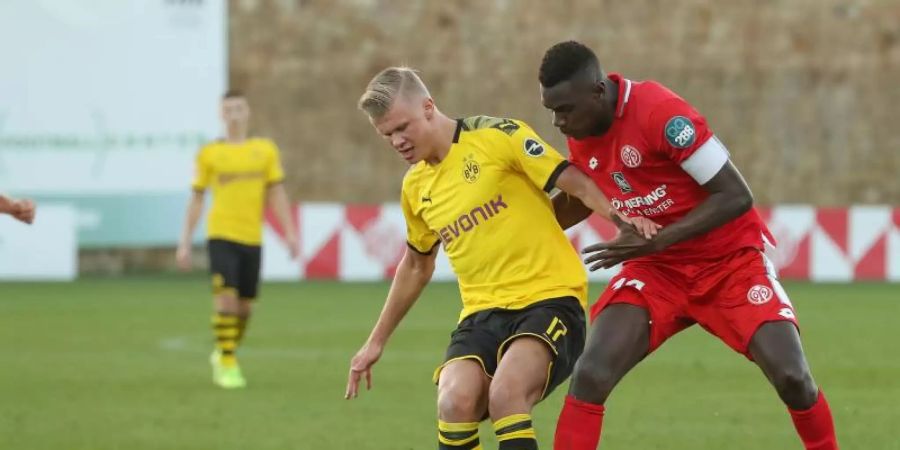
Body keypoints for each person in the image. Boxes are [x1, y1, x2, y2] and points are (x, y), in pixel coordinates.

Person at [538, 41, 838, 450]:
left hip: (729, 261)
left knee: (793, 378)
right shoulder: (584, 127)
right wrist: (522, 229)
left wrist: (656, 241)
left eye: (565, 109)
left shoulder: (661, 115)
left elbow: (735, 196)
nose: (558, 121)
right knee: (591, 374)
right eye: (552, 111)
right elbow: (579, 197)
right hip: (656, 271)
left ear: (597, 92)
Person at [344, 67, 658, 450]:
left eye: (402, 127)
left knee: (507, 394)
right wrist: (375, 342)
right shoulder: (416, 187)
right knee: (454, 402)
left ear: (428, 107)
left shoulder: (497, 136)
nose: (397, 141)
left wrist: (622, 220)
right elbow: (416, 264)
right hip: (481, 314)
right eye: (387, 135)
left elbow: (574, 183)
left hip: (550, 299)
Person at [176, 89, 299, 389]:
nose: (234, 114)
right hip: (220, 234)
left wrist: (290, 233)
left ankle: (223, 350)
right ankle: (228, 362)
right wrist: (185, 241)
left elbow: (276, 193)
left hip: (252, 237)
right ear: (221, 114)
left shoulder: (265, 150)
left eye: (239, 108)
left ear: (248, 112)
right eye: (228, 109)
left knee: (245, 308)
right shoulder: (209, 154)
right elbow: (196, 198)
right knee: (226, 298)